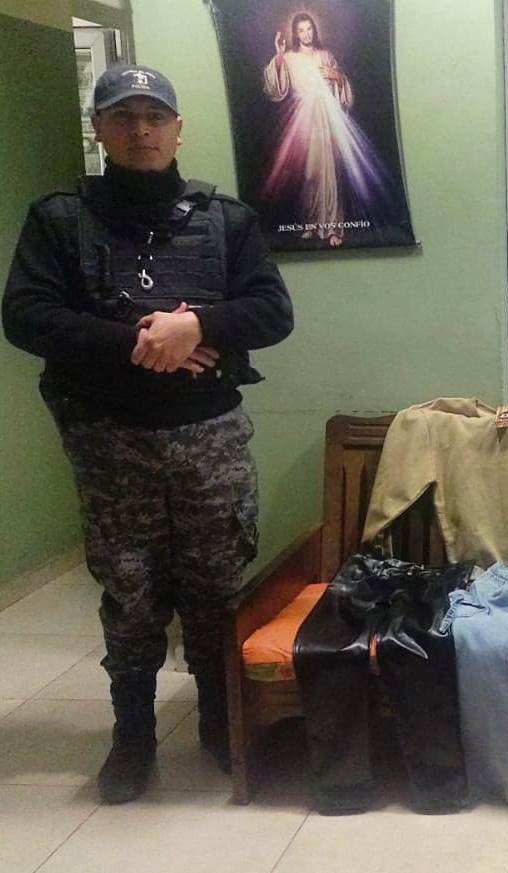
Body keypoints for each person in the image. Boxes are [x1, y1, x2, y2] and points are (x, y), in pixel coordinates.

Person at [2, 64, 293, 804]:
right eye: (124, 116)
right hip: (110, 437)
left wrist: (198, 325)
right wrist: (139, 340)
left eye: (155, 116)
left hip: (207, 436)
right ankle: (132, 735)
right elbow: (26, 316)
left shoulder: (227, 220)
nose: (141, 130)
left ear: (178, 129)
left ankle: (219, 719)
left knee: (217, 584)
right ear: (99, 128)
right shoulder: (59, 219)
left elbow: (272, 312)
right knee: (128, 590)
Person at [261, 11, 379, 247]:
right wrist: (279, 55)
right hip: (303, 120)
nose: (306, 34)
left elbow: (343, 90)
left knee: (330, 172)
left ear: (314, 30)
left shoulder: (325, 55)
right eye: (301, 30)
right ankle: (311, 223)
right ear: (295, 34)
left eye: (309, 29)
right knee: (309, 173)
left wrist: (337, 77)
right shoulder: (289, 58)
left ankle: (334, 228)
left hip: (327, 118)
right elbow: (276, 89)